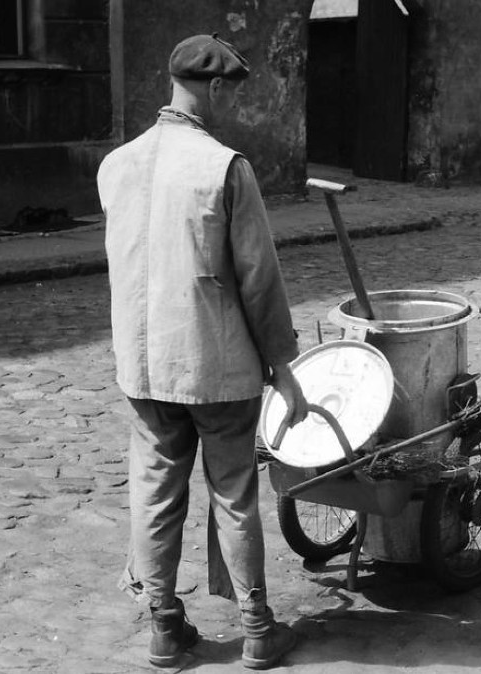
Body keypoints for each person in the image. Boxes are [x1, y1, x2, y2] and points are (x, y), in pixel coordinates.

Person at [97, 34, 309, 670]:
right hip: (215, 369)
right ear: (214, 89)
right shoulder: (225, 167)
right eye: (231, 94)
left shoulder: (116, 165)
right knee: (235, 492)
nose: (232, 107)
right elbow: (259, 281)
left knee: (154, 491)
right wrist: (284, 370)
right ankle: (257, 627)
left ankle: (164, 626)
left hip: (143, 366)